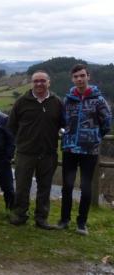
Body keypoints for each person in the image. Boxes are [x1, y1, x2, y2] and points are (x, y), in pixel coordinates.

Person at [57, 64, 112, 235]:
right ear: (72, 79)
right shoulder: (68, 99)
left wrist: (93, 137)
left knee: (86, 187)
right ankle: (64, 220)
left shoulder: (99, 100)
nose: (79, 79)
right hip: (70, 149)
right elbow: (63, 120)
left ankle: (82, 223)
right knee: (67, 186)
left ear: (88, 76)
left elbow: (106, 124)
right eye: (76, 76)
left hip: (89, 151)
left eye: (82, 76)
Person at [8, 70, 64, 229]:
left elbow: (62, 124)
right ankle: (19, 214)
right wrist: (22, 141)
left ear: (49, 82)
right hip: (25, 152)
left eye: (42, 81)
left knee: (45, 187)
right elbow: (11, 125)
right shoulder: (22, 102)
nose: (39, 84)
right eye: (36, 81)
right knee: (22, 186)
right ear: (32, 83)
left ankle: (41, 218)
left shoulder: (57, 102)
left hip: (48, 153)